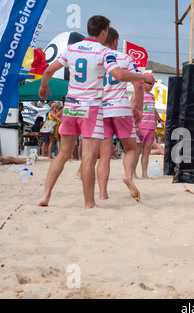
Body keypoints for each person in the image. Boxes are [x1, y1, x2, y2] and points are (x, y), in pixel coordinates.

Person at [37, 15, 155, 209]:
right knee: (89, 157)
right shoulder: (103, 52)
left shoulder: (72, 48)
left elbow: (49, 71)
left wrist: (43, 87)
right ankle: (89, 202)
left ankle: (46, 194)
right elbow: (119, 74)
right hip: (91, 108)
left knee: (63, 154)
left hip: (71, 106)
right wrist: (143, 76)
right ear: (103, 32)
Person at [97, 27, 144, 201]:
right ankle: (128, 176)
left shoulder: (97, 57)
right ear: (115, 41)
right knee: (131, 148)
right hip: (120, 107)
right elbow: (139, 84)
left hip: (101, 108)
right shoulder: (125, 58)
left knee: (105, 156)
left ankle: (103, 194)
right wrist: (139, 108)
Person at [132, 77, 164, 178]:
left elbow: (153, 110)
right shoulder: (137, 95)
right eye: (150, 83)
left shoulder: (152, 96)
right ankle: (132, 173)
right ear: (143, 83)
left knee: (146, 152)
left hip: (151, 127)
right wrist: (135, 125)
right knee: (137, 152)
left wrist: (160, 120)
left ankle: (144, 174)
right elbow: (132, 110)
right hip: (141, 127)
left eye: (153, 83)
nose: (152, 85)